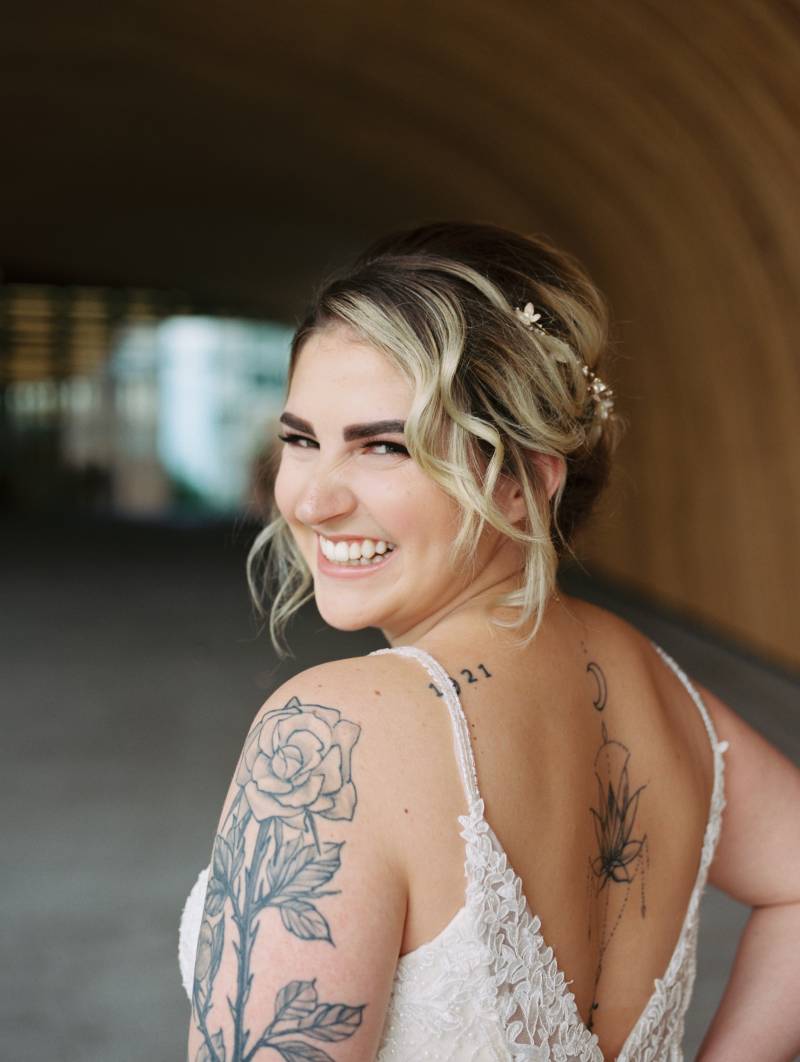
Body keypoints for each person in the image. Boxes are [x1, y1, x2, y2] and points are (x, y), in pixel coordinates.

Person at [180, 221, 800, 1061]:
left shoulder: (338, 728)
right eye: (301, 440)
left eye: (384, 447)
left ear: (520, 483)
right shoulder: (649, 677)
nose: (312, 501)